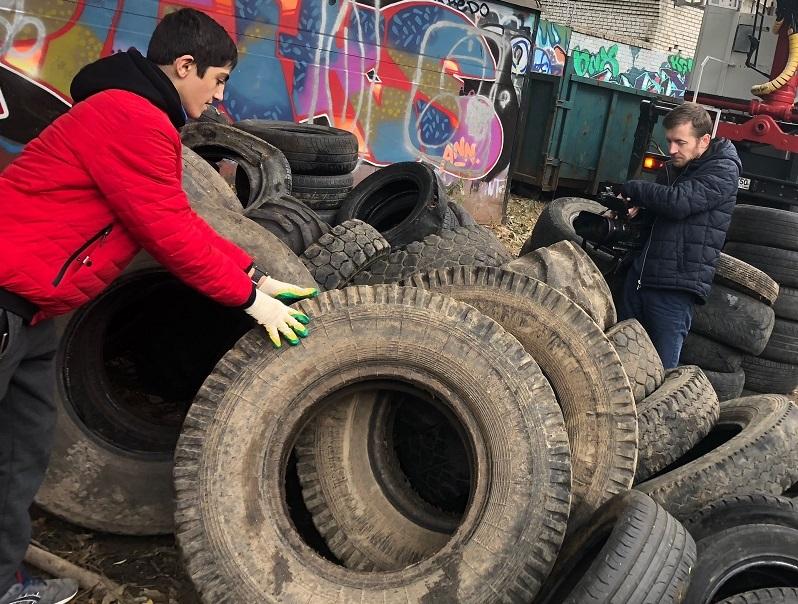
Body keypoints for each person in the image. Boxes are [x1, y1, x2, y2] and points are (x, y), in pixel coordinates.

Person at [0, 9, 317, 604]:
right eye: (218, 80)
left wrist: (253, 274)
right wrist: (250, 299)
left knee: (20, 454)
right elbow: (168, 232)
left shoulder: (140, 120)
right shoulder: (129, 117)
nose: (220, 97)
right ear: (185, 65)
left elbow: (177, 218)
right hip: (4, 301)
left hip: (35, 314)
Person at [618, 102, 742, 369]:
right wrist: (633, 211)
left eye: (680, 142)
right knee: (619, 366)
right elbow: (658, 212)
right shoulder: (675, 167)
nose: (671, 150)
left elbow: (677, 203)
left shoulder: (723, 169)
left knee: (662, 373)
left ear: (704, 141)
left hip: (674, 288)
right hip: (641, 278)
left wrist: (633, 188)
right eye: (669, 141)